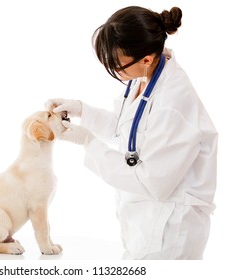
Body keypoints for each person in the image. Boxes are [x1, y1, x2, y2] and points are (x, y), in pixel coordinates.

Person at [46, 6, 218, 260]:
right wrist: (83, 110)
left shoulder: (173, 105)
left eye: (118, 67)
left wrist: (88, 142)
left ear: (146, 59)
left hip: (170, 230)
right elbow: (127, 127)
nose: (117, 73)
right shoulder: (145, 75)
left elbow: (153, 182)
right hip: (143, 222)